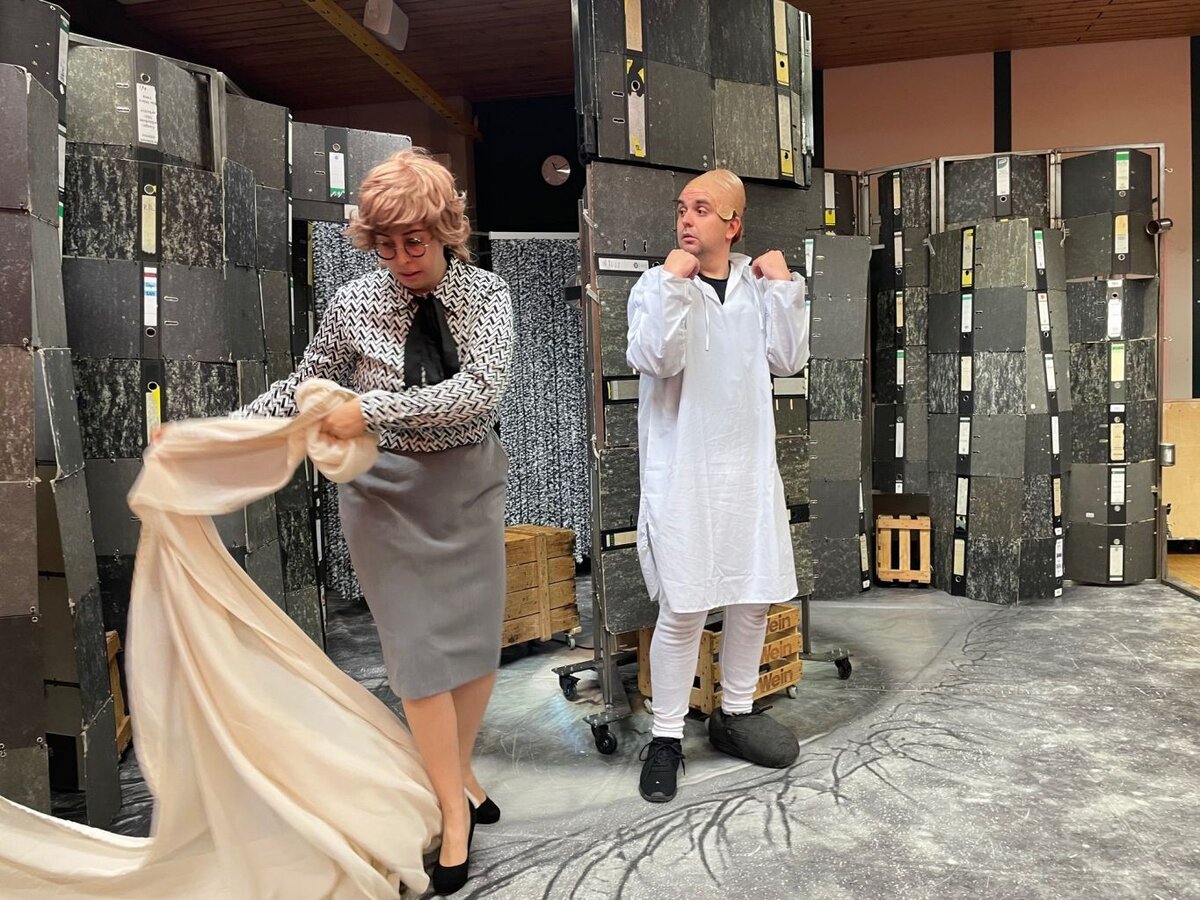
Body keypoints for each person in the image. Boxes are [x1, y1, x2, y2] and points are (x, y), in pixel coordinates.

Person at [237, 148, 513, 894]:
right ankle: (450, 809)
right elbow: (305, 387)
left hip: (467, 488)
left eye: (413, 242)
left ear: (444, 229)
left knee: (474, 650)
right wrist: (224, 432)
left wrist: (370, 407)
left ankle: (459, 772)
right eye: (385, 246)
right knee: (419, 659)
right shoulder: (354, 303)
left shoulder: (487, 296)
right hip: (383, 495)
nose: (401, 259)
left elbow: (481, 392)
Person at [626, 168, 810, 803]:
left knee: (752, 597)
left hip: (746, 468)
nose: (686, 218)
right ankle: (667, 736)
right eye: (683, 208)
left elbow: (789, 359)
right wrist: (673, 283)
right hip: (684, 471)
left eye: (702, 209)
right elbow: (657, 358)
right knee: (683, 608)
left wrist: (783, 285)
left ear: (734, 225)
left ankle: (735, 713)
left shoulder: (757, 289)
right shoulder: (656, 285)